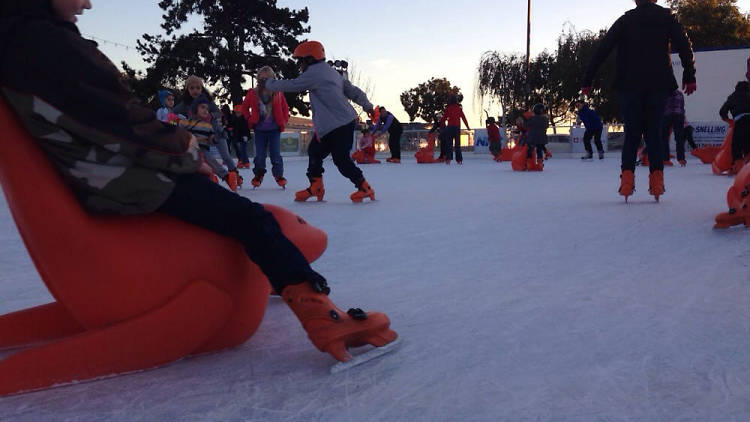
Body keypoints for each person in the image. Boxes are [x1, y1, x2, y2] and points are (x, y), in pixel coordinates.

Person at [0, 0, 396, 363]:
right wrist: (188, 154)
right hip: (121, 177)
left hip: (102, 171)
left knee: (259, 199)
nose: (88, 3)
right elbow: (120, 123)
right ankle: (322, 315)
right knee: (251, 218)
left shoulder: (24, 42)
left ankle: (281, 263)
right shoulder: (46, 46)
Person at [581, 0, 696, 201]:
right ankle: (657, 183)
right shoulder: (667, 18)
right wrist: (689, 74)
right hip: (658, 83)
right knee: (654, 133)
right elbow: (684, 45)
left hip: (629, 84)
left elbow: (603, 49)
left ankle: (626, 182)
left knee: (632, 133)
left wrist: (587, 79)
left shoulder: (625, 21)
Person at [263, 41, 377, 203]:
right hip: (336, 123)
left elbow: (293, 85)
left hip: (339, 124)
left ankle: (364, 187)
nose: (300, 65)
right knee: (315, 152)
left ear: (310, 59)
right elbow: (352, 91)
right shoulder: (331, 72)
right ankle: (316, 187)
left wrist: (268, 83)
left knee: (341, 159)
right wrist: (367, 106)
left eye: (301, 61)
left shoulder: (315, 72)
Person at [174, 75, 240, 175]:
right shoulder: (185, 104)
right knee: (205, 156)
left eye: (198, 88)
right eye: (192, 88)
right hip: (200, 137)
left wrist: (209, 115)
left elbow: (218, 113)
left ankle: (234, 174)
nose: (195, 91)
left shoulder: (207, 101)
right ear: (187, 89)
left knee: (225, 155)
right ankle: (212, 174)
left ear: (202, 89)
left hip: (215, 132)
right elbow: (174, 113)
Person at [241, 66, 289, 188]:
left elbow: (285, 109)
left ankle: (279, 174)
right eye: (262, 79)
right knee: (260, 155)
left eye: (267, 79)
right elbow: (244, 107)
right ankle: (258, 174)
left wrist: (283, 121)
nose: (264, 81)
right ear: (258, 79)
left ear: (273, 79)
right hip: (259, 130)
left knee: (275, 154)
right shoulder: (253, 93)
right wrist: (249, 119)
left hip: (275, 130)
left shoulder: (278, 93)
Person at [719, 81, 750, 173]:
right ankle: (747, 167)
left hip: (740, 122)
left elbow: (722, 111)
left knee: (736, 146)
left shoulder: (733, 97)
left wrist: (729, 121)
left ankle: (738, 168)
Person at [439, 95, 471, 165]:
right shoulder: (459, 109)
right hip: (457, 128)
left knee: (449, 144)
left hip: (449, 128)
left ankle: (448, 159)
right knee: (457, 145)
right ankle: (459, 160)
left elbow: (443, 118)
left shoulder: (448, 108)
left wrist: (441, 127)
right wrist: (467, 127)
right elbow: (463, 118)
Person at [661, 89, 686, 166]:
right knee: (679, 138)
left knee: (664, 138)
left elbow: (662, 105)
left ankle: (665, 159)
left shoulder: (664, 93)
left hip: (666, 116)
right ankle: (681, 159)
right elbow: (682, 106)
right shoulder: (679, 94)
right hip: (678, 116)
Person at [525, 103, 549, 171]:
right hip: (541, 138)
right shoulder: (545, 119)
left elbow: (527, 125)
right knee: (539, 150)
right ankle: (540, 164)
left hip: (532, 137)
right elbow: (546, 126)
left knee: (529, 150)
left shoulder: (532, 118)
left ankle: (529, 164)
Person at [231, 105, 251, 169]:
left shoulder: (244, 120)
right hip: (237, 137)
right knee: (238, 149)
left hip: (244, 137)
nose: (237, 114)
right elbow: (234, 128)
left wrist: (246, 136)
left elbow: (246, 129)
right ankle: (241, 161)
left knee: (243, 149)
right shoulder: (235, 119)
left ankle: (245, 162)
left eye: (238, 112)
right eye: (236, 113)